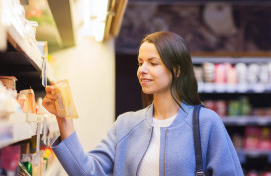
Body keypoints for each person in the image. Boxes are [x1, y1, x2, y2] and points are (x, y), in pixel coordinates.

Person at [43, 31, 243, 176]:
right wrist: (63, 119)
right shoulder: (126, 125)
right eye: (140, 63)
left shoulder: (206, 123)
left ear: (177, 70)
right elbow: (87, 172)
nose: (142, 70)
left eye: (153, 63)